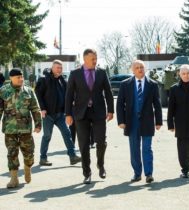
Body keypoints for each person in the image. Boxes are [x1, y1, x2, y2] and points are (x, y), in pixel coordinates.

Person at [65, 49, 114, 184]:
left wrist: (111, 110)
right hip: (81, 113)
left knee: (101, 141)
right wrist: (68, 114)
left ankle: (101, 165)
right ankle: (87, 172)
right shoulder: (75, 74)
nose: (95, 61)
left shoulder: (102, 72)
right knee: (83, 144)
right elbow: (69, 94)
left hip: (98, 112)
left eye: (96, 58)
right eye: (92, 58)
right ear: (85, 59)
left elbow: (108, 92)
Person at [117, 60, 162, 183]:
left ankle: (149, 174)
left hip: (147, 121)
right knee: (134, 148)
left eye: (142, 67)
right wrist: (121, 121)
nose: (140, 69)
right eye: (137, 67)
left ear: (145, 69)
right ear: (132, 70)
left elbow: (157, 104)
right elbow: (120, 104)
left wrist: (158, 121)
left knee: (147, 148)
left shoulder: (152, 84)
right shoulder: (125, 84)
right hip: (131, 122)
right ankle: (137, 173)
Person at [0, 68, 42, 188]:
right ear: (11, 78)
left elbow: (35, 108)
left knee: (29, 154)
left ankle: (27, 167)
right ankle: (14, 179)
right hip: (9, 129)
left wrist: (38, 124)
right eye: (18, 77)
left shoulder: (28, 91)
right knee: (12, 153)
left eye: (22, 77)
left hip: (25, 129)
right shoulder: (3, 91)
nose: (21, 79)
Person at [35, 60, 81, 166]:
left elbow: (69, 94)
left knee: (67, 133)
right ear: (52, 68)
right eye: (57, 68)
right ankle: (43, 158)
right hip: (48, 115)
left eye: (61, 68)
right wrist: (42, 108)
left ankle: (72, 156)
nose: (59, 70)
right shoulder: (44, 80)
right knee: (47, 136)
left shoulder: (62, 81)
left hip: (60, 114)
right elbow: (38, 94)